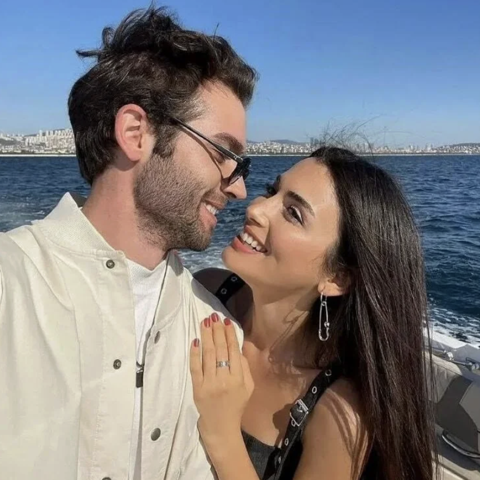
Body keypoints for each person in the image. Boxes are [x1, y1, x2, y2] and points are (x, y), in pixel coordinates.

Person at [0, 6, 257, 480]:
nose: (239, 188)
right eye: (225, 154)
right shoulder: (9, 286)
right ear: (135, 133)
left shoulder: (217, 334)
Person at [192, 146, 436, 480]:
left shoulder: (338, 412)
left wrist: (222, 434)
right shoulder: (207, 291)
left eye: (293, 213)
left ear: (337, 278)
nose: (256, 208)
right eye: (272, 191)